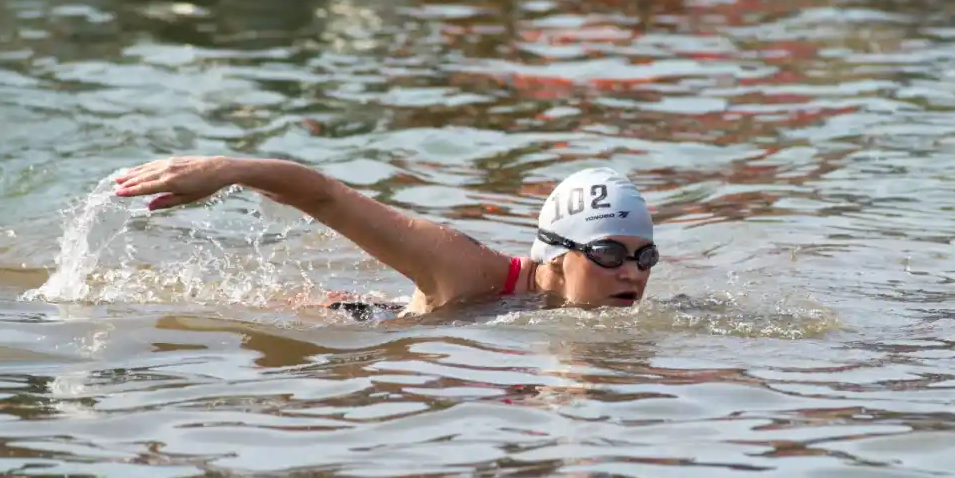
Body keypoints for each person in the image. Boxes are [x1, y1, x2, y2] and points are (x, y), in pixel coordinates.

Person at [113, 157, 659, 317]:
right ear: (558, 257)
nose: (632, 272)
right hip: (352, 318)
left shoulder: (618, 310)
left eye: (644, 255)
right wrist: (228, 169)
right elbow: (329, 196)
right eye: (608, 253)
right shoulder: (467, 270)